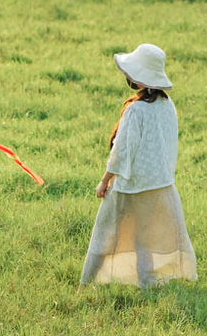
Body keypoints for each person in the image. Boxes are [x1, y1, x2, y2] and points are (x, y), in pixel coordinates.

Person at [82, 43, 197, 287]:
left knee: (107, 234)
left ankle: (89, 282)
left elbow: (122, 152)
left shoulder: (135, 111)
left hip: (131, 185)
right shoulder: (168, 106)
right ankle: (146, 280)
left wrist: (105, 180)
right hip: (159, 184)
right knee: (145, 239)